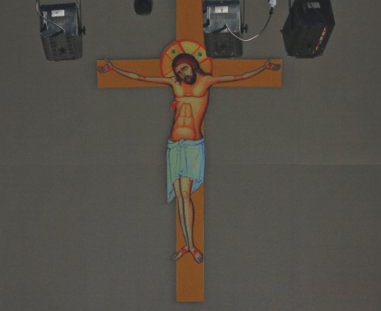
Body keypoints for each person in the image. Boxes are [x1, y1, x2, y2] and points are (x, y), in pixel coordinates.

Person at [99, 53, 279, 263]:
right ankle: (188, 245)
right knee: (180, 196)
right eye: (178, 71)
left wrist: (263, 68)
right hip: (174, 145)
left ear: (193, 66)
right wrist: (114, 68)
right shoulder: (174, 83)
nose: (182, 74)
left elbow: (237, 77)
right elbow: (142, 77)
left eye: (184, 68)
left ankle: (191, 246)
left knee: (186, 194)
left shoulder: (206, 81)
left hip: (192, 145)